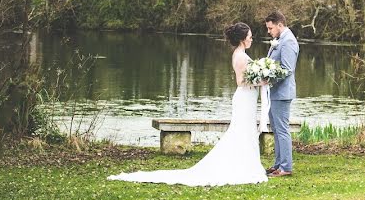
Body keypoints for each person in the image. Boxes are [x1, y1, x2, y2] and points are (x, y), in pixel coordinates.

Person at [107, 22, 268, 186]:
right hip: (244, 99)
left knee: (245, 130)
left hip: (248, 99)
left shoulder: (240, 53)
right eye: (249, 37)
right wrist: (262, 81)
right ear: (242, 39)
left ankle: (244, 163)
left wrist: (260, 79)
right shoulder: (240, 56)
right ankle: (243, 166)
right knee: (241, 130)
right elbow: (240, 81)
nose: (251, 39)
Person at [263, 11, 298, 177]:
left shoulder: (288, 41)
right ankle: (278, 164)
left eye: (270, 28)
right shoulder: (280, 40)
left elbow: (287, 69)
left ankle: (285, 167)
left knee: (282, 130)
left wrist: (269, 79)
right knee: (276, 130)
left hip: (282, 93)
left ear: (279, 25)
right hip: (275, 93)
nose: (269, 31)